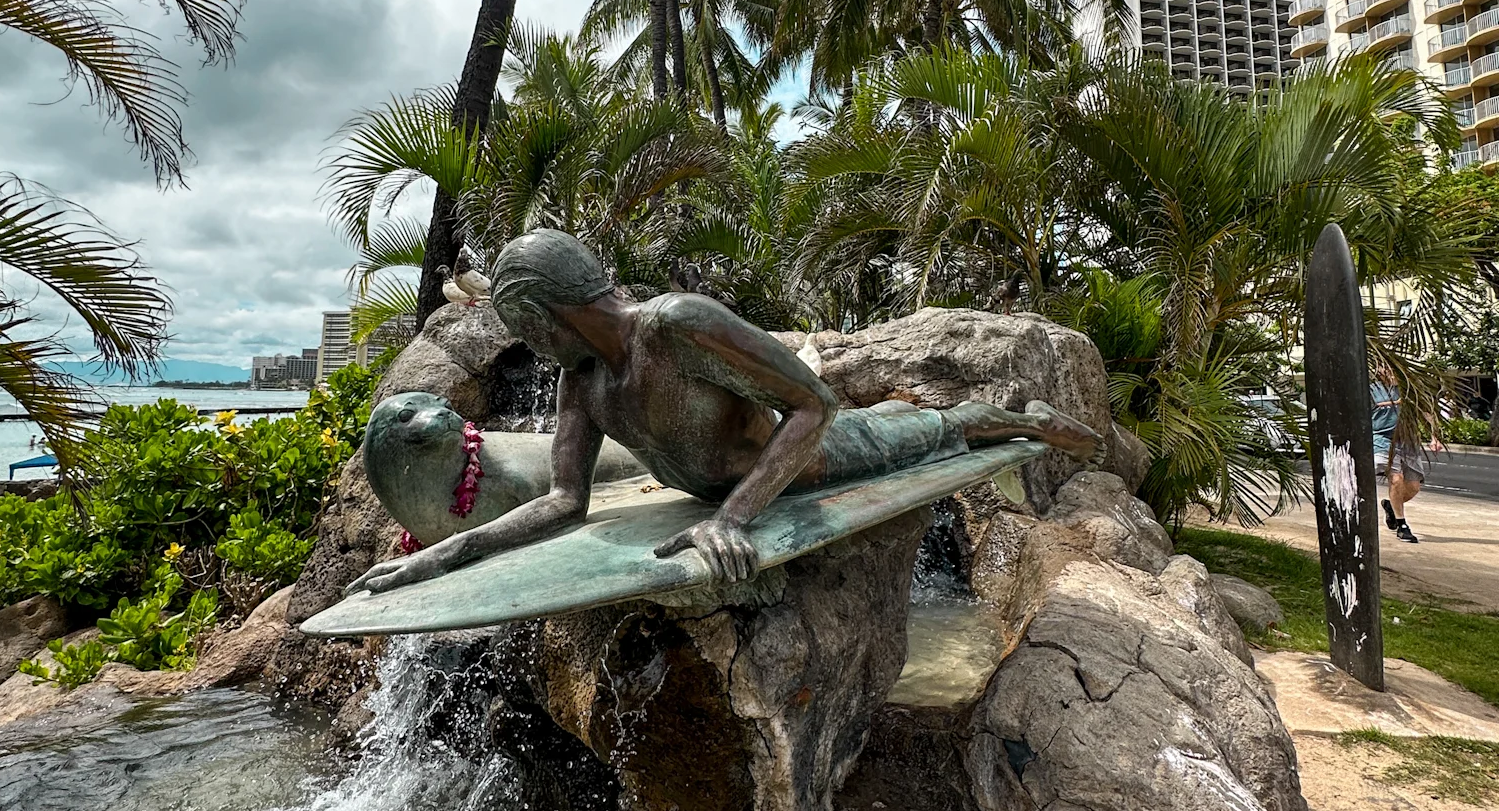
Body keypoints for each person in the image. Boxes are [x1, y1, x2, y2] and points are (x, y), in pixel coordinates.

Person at [350, 228, 1101, 594]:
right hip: (731, 490)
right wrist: (447, 555)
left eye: (521, 331)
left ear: (544, 318)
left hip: (818, 461)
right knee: (930, 432)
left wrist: (734, 517)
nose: (527, 347)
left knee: (935, 432)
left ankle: (1024, 418)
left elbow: (818, 403)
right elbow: (562, 502)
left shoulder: (677, 326)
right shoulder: (583, 384)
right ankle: (1003, 416)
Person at [1371, 381, 1439, 544]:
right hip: (1382, 439)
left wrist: (1434, 436)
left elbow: (1426, 411)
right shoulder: (1371, 388)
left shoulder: (1409, 386)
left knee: (1413, 487)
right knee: (1396, 479)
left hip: (1408, 440)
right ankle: (1402, 526)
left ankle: (1391, 507)